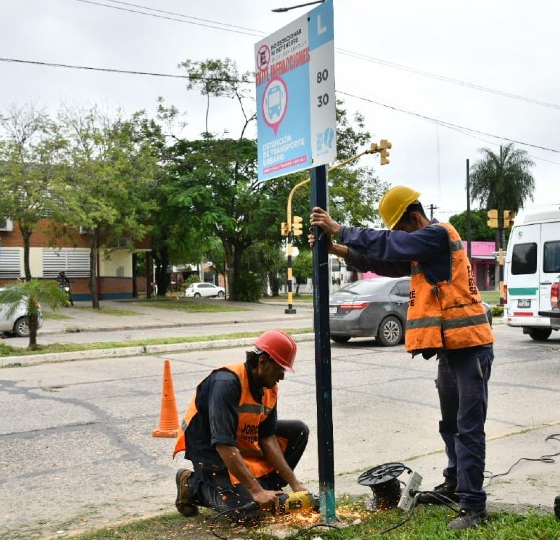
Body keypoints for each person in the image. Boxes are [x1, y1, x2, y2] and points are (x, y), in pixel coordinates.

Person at [309, 186, 494, 531]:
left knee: (468, 429)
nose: (397, 237)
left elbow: (392, 245)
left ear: (413, 218)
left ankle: (474, 507)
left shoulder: (437, 235)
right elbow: (387, 259)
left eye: (398, 229)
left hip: (471, 349)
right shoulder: (422, 247)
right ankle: (454, 486)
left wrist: (341, 229)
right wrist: (341, 249)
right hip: (451, 350)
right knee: (451, 425)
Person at [172, 330, 310, 523]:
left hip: (238, 442)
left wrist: (295, 484)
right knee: (249, 513)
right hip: (211, 451)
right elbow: (223, 445)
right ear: (262, 362)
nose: (282, 377)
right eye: (280, 370)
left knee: (298, 431)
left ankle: (264, 488)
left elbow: (267, 437)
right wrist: (255, 491)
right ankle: (193, 485)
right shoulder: (226, 383)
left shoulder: (268, 387)